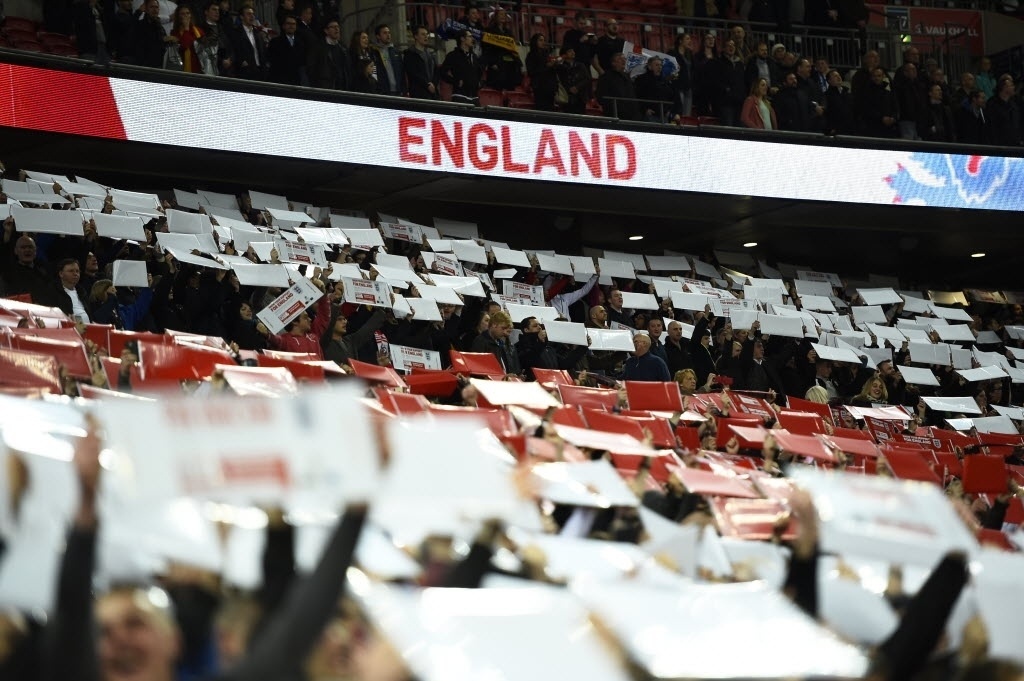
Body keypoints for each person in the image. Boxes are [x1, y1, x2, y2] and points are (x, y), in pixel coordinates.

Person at [470, 310, 521, 376]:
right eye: (503, 328)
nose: (504, 332)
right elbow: (479, 371)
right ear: (494, 325)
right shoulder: (480, 341)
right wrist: (503, 377)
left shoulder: (499, 342)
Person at [307, 19, 352, 90]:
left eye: (337, 26)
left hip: (343, 87)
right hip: (326, 87)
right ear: (326, 31)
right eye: (333, 27)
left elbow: (347, 67)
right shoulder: (318, 47)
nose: (336, 29)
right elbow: (312, 69)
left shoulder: (343, 47)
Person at [440, 29, 482, 103]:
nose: (472, 39)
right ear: (462, 39)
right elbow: (442, 72)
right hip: (460, 96)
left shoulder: (474, 56)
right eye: (470, 36)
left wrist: (478, 83)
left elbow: (479, 71)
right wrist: (456, 82)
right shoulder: (453, 55)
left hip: (474, 96)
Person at [230, 4, 268, 80]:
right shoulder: (236, 33)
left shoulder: (257, 33)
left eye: (253, 14)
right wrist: (241, 61)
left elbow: (263, 50)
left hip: (260, 70)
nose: (252, 16)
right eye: (248, 14)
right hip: (245, 71)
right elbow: (234, 50)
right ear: (241, 17)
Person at [596, 53, 639, 121]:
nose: (623, 61)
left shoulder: (627, 77)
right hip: (614, 115)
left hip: (631, 115)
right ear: (613, 63)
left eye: (624, 59)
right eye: (620, 59)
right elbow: (601, 96)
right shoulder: (606, 77)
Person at [266, 14, 307, 85]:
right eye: (288, 23)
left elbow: (301, 63)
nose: (291, 26)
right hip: (280, 80)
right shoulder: (275, 42)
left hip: (296, 80)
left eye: (293, 24)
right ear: (283, 26)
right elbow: (272, 61)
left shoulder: (301, 43)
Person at [634, 56, 675, 122]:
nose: (659, 67)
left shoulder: (665, 81)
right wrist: (645, 110)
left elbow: (671, 96)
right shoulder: (642, 79)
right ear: (650, 67)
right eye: (656, 65)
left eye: (661, 65)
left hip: (664, 116)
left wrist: (668, 110)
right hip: (650, 116)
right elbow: (637, 96)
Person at [404, 24, 438, 99]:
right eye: (423, 34)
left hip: (432, 93)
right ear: (416, 36)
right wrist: (427, 85)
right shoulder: (409, 54)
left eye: (427, 34)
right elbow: (413, 73)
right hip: (418, 93)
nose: (426, 36)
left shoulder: (430, 54)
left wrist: (433, 84)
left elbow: (436, 71)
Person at [526, 33, 557, 112]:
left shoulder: (547, 55)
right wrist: (547, 66)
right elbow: (531, 72)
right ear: (535, 42)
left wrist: (554, 65)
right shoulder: (530, 56)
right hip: (539, 87)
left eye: (544, 40)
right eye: (540, 40)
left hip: (550, 88)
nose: (543, 42)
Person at [555, 46, 591, 114]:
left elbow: (587, 78)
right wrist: (561, 58)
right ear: (564, 54)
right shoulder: (560, 67)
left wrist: (577, 87)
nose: (573, 53)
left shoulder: (580, 65)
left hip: (580, 97)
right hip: (567, 97)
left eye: (573, 51)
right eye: (569, 51)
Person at [168, 5, 204, 73]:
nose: (186, 16)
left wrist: (186, 28)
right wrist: (186, 29)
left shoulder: (199, 32)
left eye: (188, 13)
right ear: (178, 17)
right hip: (181, 68)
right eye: (182, 14)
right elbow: (185, 45)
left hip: (197, 69)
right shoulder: (174, 33)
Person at [348, 30, 386, 94]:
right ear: (357, 40)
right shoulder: (351, 54)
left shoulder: (373, 53)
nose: (366, 40)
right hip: (359, 89)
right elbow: (351, 73)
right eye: (363, 38)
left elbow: (379, 72)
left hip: (374, 88)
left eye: (367, 38)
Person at [372, 23, 405, 96]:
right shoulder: (374, 53)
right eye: (384, 33)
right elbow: (373, 73)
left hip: (398, 92)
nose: (388, 35)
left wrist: (404, 90)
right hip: (383, 92)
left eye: (389, 33)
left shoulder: (396, 52)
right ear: (378, 36)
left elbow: (401, 72)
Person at [666, 34, 694, 117]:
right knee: (679, 110)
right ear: (680, 41)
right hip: (678, 86)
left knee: (687, 114)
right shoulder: (672, 53)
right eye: (687, 39)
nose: (690, 41)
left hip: (688, 87)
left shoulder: (689, 54)